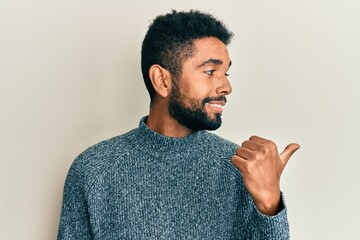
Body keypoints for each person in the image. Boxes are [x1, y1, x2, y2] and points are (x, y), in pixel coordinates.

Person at [57, 10, 300, 239]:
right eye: (210, 71)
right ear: (161, 80)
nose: (226, 87)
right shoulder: (94, 169)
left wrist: (270, 205)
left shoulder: (243, 168)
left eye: (226, 73)